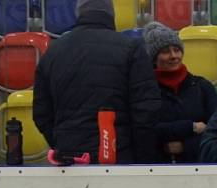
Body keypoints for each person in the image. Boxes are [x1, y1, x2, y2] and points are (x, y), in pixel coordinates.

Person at [33, 0, 161, 164]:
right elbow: (146, 109)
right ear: (111, 14)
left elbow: (41, 113)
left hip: (68, 158)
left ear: (79, 13)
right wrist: (142, 159)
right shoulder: (131, 48)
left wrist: (62, 142)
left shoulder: (53, 51)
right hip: (119, 155)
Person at [143, 22, 217, 163]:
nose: (174, 56)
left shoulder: (202, 87)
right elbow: (146, 131)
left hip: (199, 166)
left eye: (177, 50)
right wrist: (191, 127)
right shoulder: (145, 91)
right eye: (166, 51)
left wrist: (186, 146)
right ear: (154, 58)